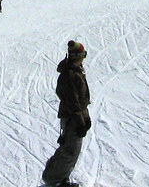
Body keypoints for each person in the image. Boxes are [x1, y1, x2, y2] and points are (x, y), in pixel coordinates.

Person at [41, 40, 91, 187]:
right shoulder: (70, 74)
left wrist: (85, 116)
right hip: (72, 117)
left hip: (74, 116)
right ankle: (55, 180)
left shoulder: (75, 71)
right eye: (83, 55)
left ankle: (59, 178)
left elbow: (80, 100)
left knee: (70, 148)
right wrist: (80, 121)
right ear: (78, 56)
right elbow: (72, 102)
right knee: (70, 150)